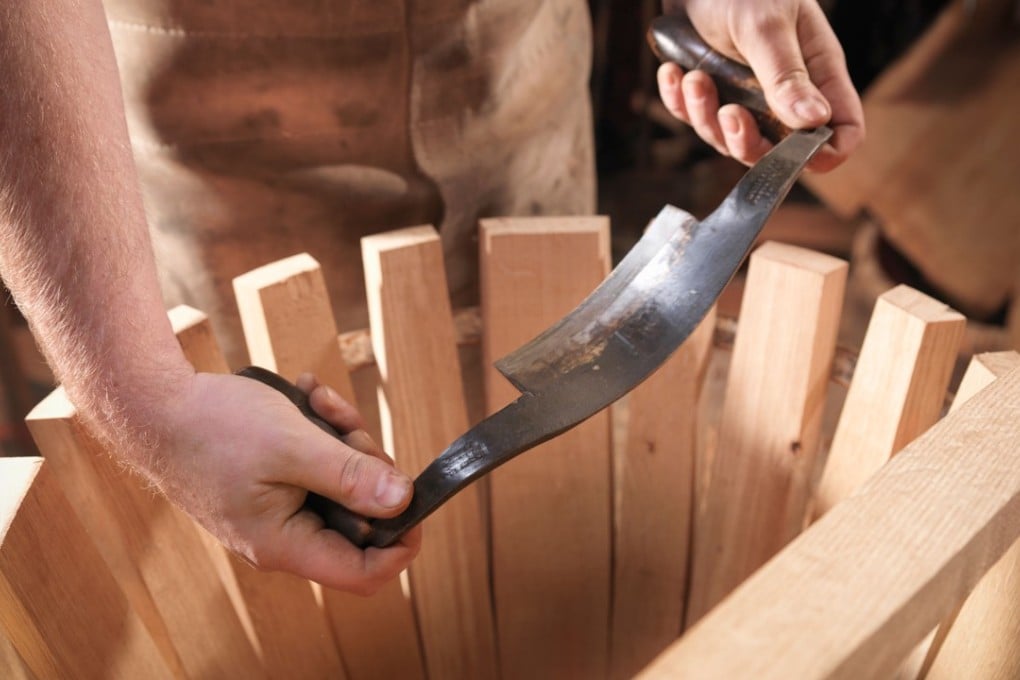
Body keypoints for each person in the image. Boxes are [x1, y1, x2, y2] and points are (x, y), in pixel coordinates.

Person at [0, 0, 863, 594]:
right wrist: (143, 394)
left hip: (510, 66)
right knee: (295, 542)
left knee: (542, 522)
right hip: (203, 125)